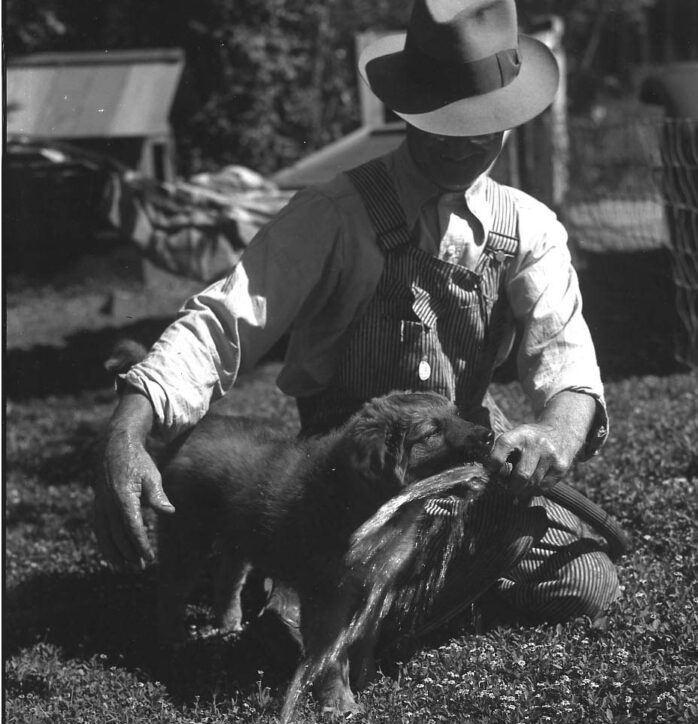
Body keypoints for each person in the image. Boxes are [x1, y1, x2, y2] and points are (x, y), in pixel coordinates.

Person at [95, 0, 620, 641]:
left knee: (586, 583)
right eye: (447, 123)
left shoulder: (529, 227)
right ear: (409, 111)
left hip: (464, 462)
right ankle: (332, 595)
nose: (468, 142)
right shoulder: (334, 213)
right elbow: (222, 323)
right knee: (327, 596)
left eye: (487, 123)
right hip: (343, 480)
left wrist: (554, 437)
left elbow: (567, 361)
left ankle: (383, 599)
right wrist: (130, 425)